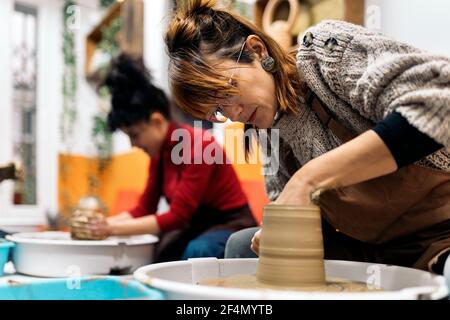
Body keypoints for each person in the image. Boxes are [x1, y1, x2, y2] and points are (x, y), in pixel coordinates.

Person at [164, 0, 450, 275]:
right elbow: (291, 207)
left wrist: (309, 178)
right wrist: (280, 226)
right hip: (368, 246)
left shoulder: (324, 52)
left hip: (438, 237)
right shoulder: (264, 129)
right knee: (242, 246)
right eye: (217, 109)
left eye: (227, 91)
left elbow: (439, 104)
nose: (233, 113)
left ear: (257, 50)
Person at [88, 53, 256, 262]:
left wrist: (110, 228)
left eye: (134, 135)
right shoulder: (160, 155)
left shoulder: (200, 146)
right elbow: (144, 209)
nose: (134, 145)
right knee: (160, 251)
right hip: (196, 226)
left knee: (197, 252)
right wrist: (102, 225)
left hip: (231, 224)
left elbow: (178, 216)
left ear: (157, 121)